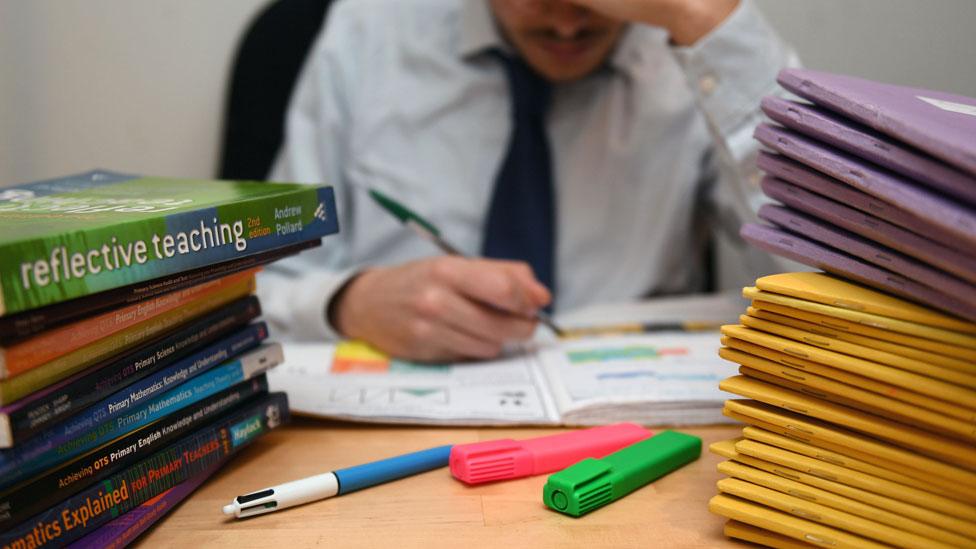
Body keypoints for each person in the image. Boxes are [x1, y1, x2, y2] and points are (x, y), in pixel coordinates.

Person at [258, 0, 798, 361]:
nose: (566, 25)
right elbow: (252, 292)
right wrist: (349, 302)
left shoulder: (696, 51)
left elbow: (833, 280)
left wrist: (706, 22)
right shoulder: (367, 33)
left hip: (639, 428)